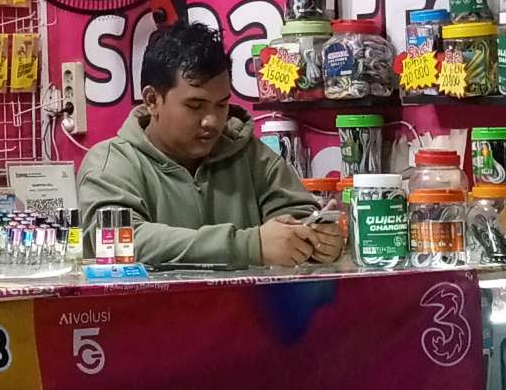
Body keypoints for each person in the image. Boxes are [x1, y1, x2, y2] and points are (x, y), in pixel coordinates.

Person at [77, 21, 346, 272]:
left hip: (247, 308)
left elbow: (297, 219)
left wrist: (317, 240)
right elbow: (117, 243)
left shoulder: (249, 153)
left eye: (221, 105)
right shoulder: (110, 165)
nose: (212, 121)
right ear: (152, 100)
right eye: (195, 106)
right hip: (152, 309)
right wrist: (248, 246)